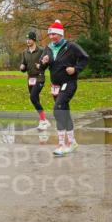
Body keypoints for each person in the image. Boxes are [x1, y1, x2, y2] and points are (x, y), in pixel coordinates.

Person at [40, 20, 89, 156]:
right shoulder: (48, 48)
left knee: (58, 110)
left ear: (61, 34)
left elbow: (85, 58)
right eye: (50, 34)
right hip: (55, 86)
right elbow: (42, 65)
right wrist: (43, 62)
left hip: (69, 83)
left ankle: (61, 145)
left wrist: (75, 69)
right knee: (64, 112)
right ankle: (72, 142)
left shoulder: (71, 46)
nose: (52, 37)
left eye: (54, 34)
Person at [19, 31, 49, 130]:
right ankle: (43, 120)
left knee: (32, 97)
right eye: (27, 39)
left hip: (39, 77)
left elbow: (46, 64)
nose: (27, 41)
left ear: (34, 40)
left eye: (30, 39)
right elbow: (24, 65)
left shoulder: (41, 51)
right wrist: (22, 67)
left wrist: (41, 65)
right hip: (30, 78)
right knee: (35, 99)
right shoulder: (25, 52)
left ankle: (43, 120)